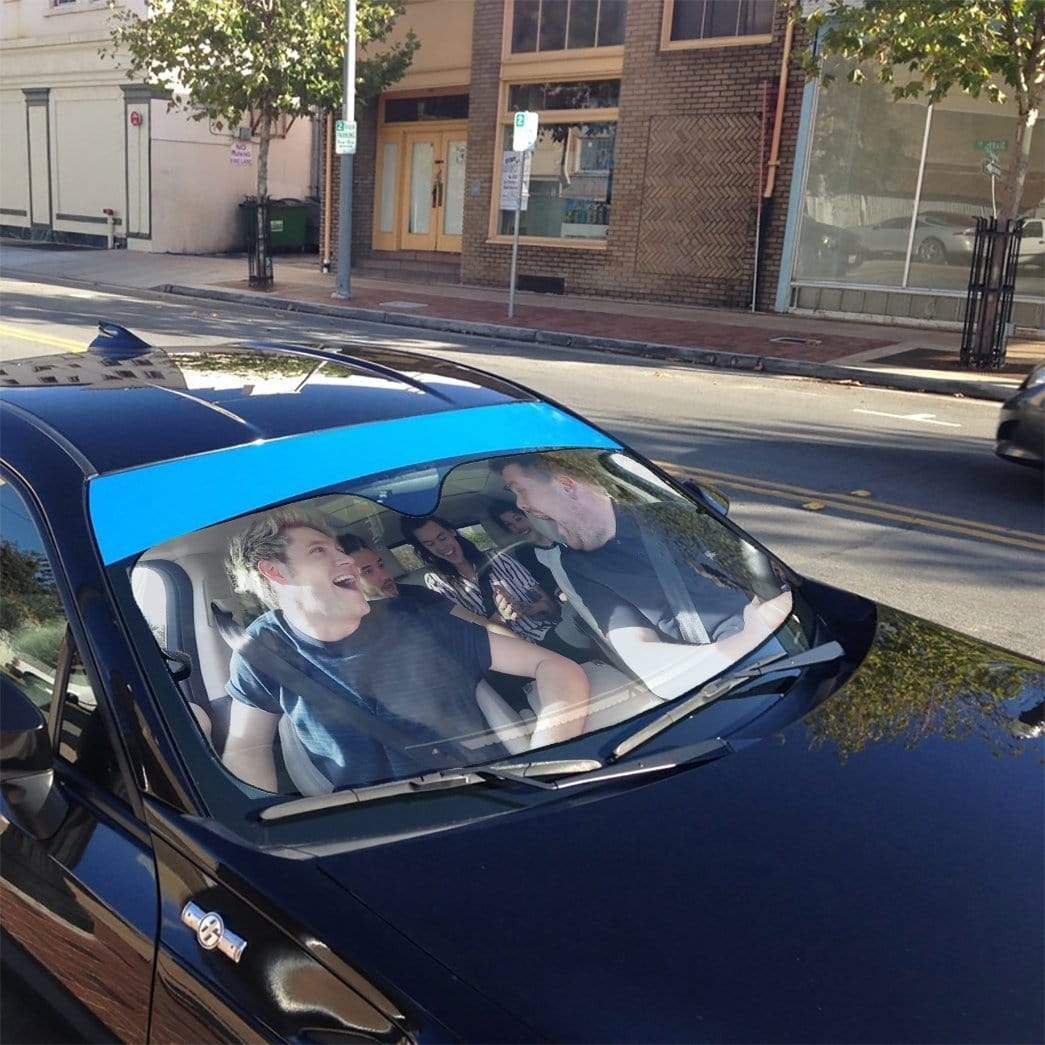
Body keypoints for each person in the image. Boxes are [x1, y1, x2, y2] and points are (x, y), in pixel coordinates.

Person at [221, 508, 589, 793]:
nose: (347, 561)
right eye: (319, 551)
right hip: (374, 826)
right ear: (276, 573)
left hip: (487, 794)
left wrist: (543, 765)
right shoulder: (262, 652)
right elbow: (246, 748)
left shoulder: (416, 619)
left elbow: (554, 666)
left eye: (340, 550)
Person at [498, 452, 793, 693]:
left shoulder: (671, 516)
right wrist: (754, 636)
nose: (521, 505)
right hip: (741, 675)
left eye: (520, 490)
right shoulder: (579, 568)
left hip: (794, 637)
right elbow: (647, 663)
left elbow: (769, 573)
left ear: (566, 486)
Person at [403, 515, 560, 645]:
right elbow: (468, 635)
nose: (441, 547)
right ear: (425, 549)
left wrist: (531, 609)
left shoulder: (498, 558)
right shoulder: (437, 582)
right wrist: (500, 617)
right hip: (513, 650)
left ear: (452, 532)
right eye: (430, 544)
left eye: (442, 538)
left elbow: (550, 607)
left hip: (550, 633)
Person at [338, 534, 513, 636]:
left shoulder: (419, 594)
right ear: (348, 579)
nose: (385, 576)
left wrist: (506, 631)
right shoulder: (350, 623)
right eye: (367, 572)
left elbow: (480, 625)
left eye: (381, 565)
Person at [487, 500, 560, 599]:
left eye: (518, 519)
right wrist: (559, 593)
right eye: (509, 525)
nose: (517, 527)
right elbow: (545, 582)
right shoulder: (524, 553)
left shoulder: (560, 534)